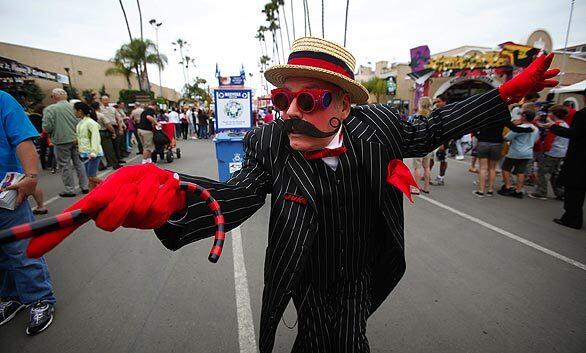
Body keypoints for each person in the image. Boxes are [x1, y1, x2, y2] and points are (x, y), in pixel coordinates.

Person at [25, 38, 558, 352]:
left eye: (313, 98)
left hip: (364, 264)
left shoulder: (377, 128)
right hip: (302, 268)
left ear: (344, 107)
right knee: (339, 340)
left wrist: (505, 93)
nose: (293, 111)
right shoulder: (267, 141)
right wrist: (176, 198)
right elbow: (241, 194)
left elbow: (431, 129)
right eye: (284, 98)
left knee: (333, 334)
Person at [0, 90, 56, 335]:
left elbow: (23, 140)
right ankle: (11, 296)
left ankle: (39, 298)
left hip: (6, 191)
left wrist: (32, 176)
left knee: (22, 250)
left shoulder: (2, 99)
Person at [542, 89, 586, 229]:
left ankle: (572, 218)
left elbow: (575, 133)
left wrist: (553, 127)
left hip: (579, 158)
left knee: (574, 190)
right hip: (574, 156)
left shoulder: (583, 115)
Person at [42, 88, 89, 197]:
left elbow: (47, 127)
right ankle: (85, 186)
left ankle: (70, 189)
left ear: (55, 97)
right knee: (79, 163)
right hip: (76, 138)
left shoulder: (50, 109)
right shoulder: (74, 108)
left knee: (64, 165)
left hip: (61, 140)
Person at [473, 118, 533, 197]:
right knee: (492, 168)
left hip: (483, 142)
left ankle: (481, 190)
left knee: (483, 168)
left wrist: (479, 137)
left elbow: (473, 129)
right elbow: (515, 128)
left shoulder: (482, 117)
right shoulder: (502, 118)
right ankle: (490, 190)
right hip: (497, 143)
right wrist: (529, 129)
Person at [528, 105, 569, 200]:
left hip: (551, 152)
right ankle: (560, 192)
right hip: (561, 152)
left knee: (542, 172)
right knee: (555, 173)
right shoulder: (564, 125)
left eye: (550, 113)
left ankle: (541, 192)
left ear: (554, 114)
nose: (548, 115)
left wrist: (544, 150)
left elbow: (548, 141)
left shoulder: (555, 127)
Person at [498, 109, 539, 198]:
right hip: (528, 152)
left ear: (524, 117)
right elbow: (536, 140)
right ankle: (518, 190)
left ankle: (508, 186)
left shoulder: (519, 128)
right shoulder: (535, 129)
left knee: (505, 168)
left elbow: (507, 138)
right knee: (521, 171)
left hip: (516, 151)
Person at [74, 102, 104, 190]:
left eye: (74, 110)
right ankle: (93, 196)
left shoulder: (90, 123)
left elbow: (95, 138)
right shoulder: (81, 123)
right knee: (90, 179)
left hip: (93, 154)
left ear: (80, 111)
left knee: (91, 177)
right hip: (85, 153)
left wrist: (94, 152)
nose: (74, 112)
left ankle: (113, 186)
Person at [410, 97, 433, 194]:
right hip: (429, 145)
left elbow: (410, 130)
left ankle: (416, 188)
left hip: (418, 145)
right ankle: (426, 187)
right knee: (427, 167)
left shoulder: (415, 117)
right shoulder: (432, 117)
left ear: (420, 104)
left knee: (417, 167)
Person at [92, 102, 120, 170]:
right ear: (98, 107)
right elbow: (108, 124)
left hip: (94, 133)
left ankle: (100, 165)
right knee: (109, 149)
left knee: (96, 150)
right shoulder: (101, 115)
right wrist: (113, 132)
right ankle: (114, 164)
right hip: (103, 132)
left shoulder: (90, 116)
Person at [429, 94, 449, 185]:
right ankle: (427, 174)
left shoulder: (448, 112)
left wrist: (443, 143)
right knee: (431, 158)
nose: (436, 103)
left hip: (443, 141)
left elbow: (447, 129)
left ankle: (441, 178)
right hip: (434, 140)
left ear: (444, 102)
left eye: (438, 101)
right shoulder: (436, 110)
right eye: (436, 101)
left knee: (442, 159)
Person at [100, 95, 125, 164]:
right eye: (104, 100)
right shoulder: (100, 109)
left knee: (117, 144)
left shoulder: (113, 109)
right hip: (105, 128)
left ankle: (119, 158)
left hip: (114, 126)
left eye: (107, 100)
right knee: (108, 147)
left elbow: (118, 118)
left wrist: (120, 128)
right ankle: (110, 161)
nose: (106, 101)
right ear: (101, 101)